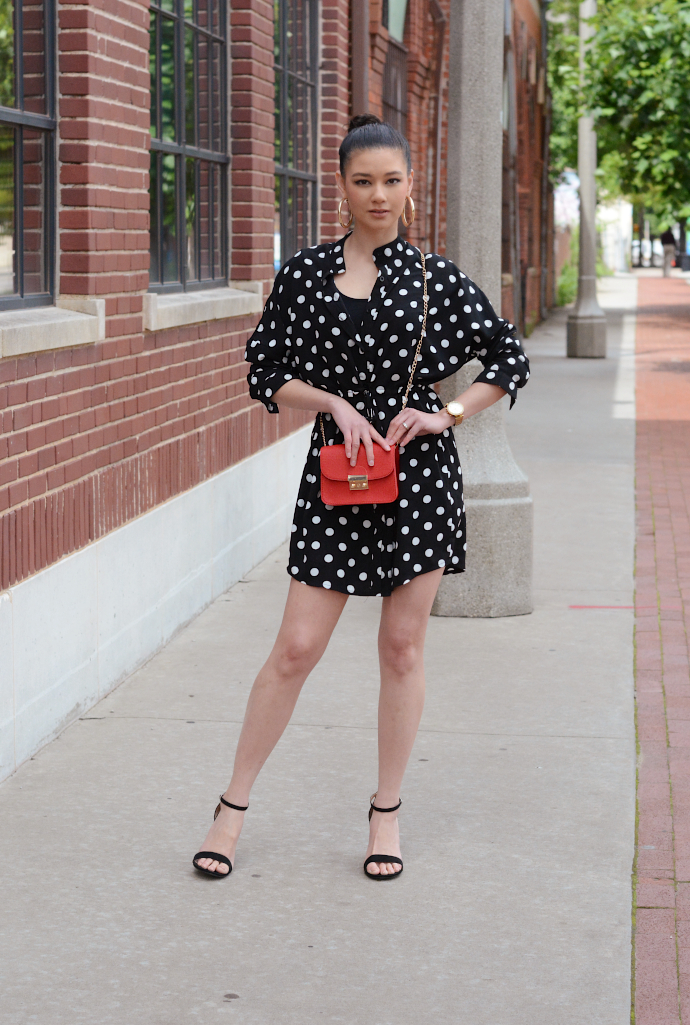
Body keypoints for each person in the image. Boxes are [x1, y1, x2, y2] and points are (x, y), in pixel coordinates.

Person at [192, 114, 530, 882]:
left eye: (391, 179)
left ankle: (387, 814)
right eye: (362, 181)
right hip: (339, 474)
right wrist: (332, 403)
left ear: (411, 186)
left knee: (402, 648)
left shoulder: (437, 280)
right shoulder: (307, 274)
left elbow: (507, 357)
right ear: (340, 188)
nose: (379, 194)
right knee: (296, 648)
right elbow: (264, 370)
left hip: (419, 479)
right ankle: (231, 807)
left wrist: (443, 414)